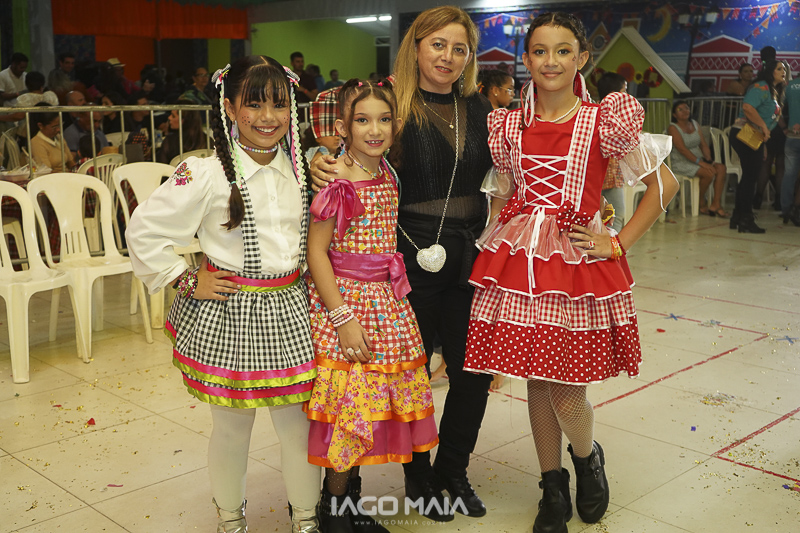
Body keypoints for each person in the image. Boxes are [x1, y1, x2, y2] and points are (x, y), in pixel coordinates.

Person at [462, 13, 678, 533]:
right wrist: (489, 254)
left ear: (581, 58)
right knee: (537, 381)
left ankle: (586, 457)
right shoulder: (509, 124)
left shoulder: (604, 120)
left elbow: (664, 186)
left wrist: (617, 242)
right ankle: (552, 486)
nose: (551, 61)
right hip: (519, 264)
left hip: (577, 265)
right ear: (526, 59)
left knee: (566, 387)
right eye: (540, 51)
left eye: (563, 51)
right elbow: (504, 194)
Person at [311, 6, 494, 521]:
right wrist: (320, 157)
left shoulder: (478, 107)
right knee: (407, 373)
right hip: (405, 260)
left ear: (470, 57)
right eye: (437, 44)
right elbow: (351, 136)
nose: (448, 56)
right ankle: (418, 477)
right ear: (415, 46)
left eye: (459, 48)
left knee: (472, 371)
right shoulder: (396, 104)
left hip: (468, 255)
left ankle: (452, 469)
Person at [126, 56, 322, 533]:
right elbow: (142, 230)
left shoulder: (306, 169)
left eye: (279, 104)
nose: (268, 117)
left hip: (292, 309)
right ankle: (231, 520)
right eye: (254, 104)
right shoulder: (205, 173)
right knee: (233, 430)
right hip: (231, 313)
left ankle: (306, 520)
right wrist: (186, 278)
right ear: (230, 108)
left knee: (298, 429)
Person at [305, 78, 438, 533]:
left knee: (375, 400)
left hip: (386, 302)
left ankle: (350, 504)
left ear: (395, 125)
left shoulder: (388, 173)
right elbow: (316, 252)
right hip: (347, 303)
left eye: (383, 120)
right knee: (349, 404)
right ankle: (333, 509)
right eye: (362, 120)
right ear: (343, 127)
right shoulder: (337, 180)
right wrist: (342, 318)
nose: (374, 130)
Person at [729, 60, 786, 233]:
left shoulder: (773, 90)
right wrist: (763, 126)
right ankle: (745, 219)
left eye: (784, 69)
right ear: (770, 71)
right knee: (750, 177)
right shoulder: (761, 86)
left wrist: (763, 140)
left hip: (755, 135)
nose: (783, 72)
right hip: (746, 132)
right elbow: (747, 107)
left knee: (749, 176)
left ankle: (738, 216)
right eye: (779, 69)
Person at [668, 100, 729, 217]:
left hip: (698, 159)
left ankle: (716, 204)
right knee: (708, 173)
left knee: (721, 168)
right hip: (681, 162)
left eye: (686, 108)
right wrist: (701, 163)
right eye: (680, 110)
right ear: (674, 115)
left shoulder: (695, 124)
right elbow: (682, 150)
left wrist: (709, 160)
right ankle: (701, 201)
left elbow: (703, 144)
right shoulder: (673, 128)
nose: (685, 111)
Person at [596, 72, 628, 232]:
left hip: (605, 174)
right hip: (608, 174)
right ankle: (613, 245)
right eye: (624, 91)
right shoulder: (608, 115)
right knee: (617, 215)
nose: (627, 96)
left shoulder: (595, 111)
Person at [157, 99, 211, 164]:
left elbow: (162, 167)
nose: (169, 117)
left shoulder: (169, 142)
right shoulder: (208, 141)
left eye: (173, 116)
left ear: (184, 120)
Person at [30, 103, 75, 173]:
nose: (58, 129)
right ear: (40, 125)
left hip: (67, 174)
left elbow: (71, 162)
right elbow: (46, 172)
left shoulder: (58, 137)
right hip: (53, 177)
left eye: (60, 125)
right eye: (54, 127)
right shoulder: (36, 143)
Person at [782, 66, 800, 226]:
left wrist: (784, 127)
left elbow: (776, 108)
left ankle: (786, 209)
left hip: (791, 136)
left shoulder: (789, 86)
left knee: (789, 175)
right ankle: (796, 208)